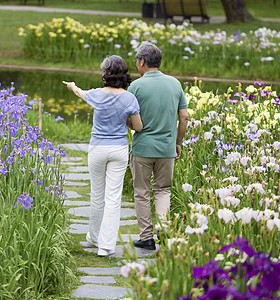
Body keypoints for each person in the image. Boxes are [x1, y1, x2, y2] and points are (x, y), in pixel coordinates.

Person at [63, 55, 143, 257]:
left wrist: (72, 86)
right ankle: (106, 246)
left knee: (97, 195)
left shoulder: (97, 94)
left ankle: (93, 237)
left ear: (106, 74)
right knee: (113, 198)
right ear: (124, 73)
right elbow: (138, 126)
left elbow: (80, 92)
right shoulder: (129, 98)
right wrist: (125, 120)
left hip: (98, 149)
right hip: (118, 150)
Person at [127, 42, 189, 250]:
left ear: (142, 61)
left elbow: (129, 117)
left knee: (142, 191)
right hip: (166, 148)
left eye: (137, 61)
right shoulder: (175, 84)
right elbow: (184, 117)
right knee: (163, 190)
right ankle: (164, 231)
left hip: (143, 148)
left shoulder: (136, 86)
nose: (136, 65)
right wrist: (178, 142)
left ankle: (146, 237)